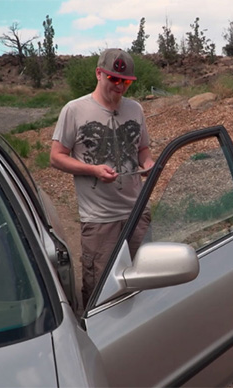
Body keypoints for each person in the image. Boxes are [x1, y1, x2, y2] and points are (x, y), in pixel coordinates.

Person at [50, 48, 154, 308]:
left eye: (126, 82)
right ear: (99, 73)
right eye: (114, 80)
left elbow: (142, 149)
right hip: (99, 220)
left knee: (146, 284)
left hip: (137, 214)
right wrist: (93, 170)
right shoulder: (74, 110)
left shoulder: (136, 109)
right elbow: (56, 156)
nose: (120, 87)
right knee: (100, 292)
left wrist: (149, 163)